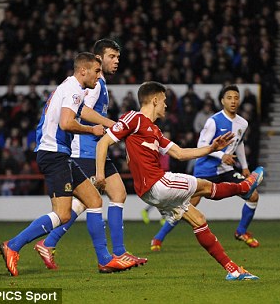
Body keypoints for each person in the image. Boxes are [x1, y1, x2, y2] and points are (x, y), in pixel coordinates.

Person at [95, 81, 263, 280]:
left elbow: (180, 153)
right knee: (204, 186)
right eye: (164, 101)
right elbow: (104, 141)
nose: (166, 105)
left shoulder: (155, 131)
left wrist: (211, 149)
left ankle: (233, 270)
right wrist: (100, 174)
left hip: (151, 192)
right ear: (155, 100)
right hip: (158, 183)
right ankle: (243, 187)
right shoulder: (135, 119)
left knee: (198, 220)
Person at [0, 52, 138, 276]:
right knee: (62, 214)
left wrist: (114, 126)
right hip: (53, 155)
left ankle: (105, 260)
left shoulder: (71, 87)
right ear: (84, 70)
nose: (99, 76)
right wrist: (92, 130)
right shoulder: (73, 89)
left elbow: (78, 113)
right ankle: (12, 245)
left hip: (59, 154)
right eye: (96, 71)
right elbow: (66, 123)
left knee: (93, 200)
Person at [33, 39, 147, 270]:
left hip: (95, 148)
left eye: (118, 57)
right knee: (90, 202)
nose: (116, 61)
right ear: (98, 59)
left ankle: (118, 252)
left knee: (115, 194)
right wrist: (114, 126)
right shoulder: (95, 84)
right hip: (85, 150)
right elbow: (82, 111)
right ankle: (51, 242)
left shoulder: (99, 83)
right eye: (111, 57)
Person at [150, 85, 262, 251]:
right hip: (206, 169)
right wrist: (221, 155)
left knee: (253, 196)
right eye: (229, 97)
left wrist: (245, 167)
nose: (233, 101)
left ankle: (241, 232)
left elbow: (239, 143)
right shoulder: (213, 121)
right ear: (222, 101)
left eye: (236, 98)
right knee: (186, 206)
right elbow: (201, 144)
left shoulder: (242, 123)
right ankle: (158, 238)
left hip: (226, 169)